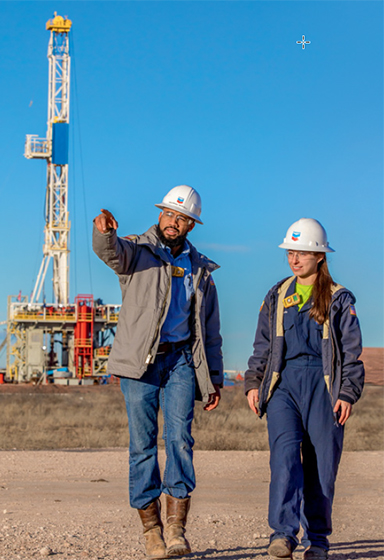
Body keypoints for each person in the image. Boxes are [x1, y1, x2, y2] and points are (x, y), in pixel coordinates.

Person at [93, 185, 223, 559]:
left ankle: (178, 528)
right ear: (160, 215)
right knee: (142, 444)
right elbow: (110, 253)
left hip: (180, 361)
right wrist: (104, 233)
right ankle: (152, 531)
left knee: (180, 439)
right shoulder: (138, 251)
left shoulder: (200, 269)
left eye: (182, 217)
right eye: (169, 214)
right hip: (140, 364)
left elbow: (209, 329)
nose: (174, 221)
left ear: (191, 225)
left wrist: (212, 377)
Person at [245, 218, 364, 560]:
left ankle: (319, 540)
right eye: (291, 252)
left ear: (320, 256)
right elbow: (263, 346)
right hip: (284, 384)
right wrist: (254, 382)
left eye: (303, 252)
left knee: (320, 464)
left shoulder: (340, 299)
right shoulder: (277, 295)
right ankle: (282, 534)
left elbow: (352, 353)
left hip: (324, 387)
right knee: (284, 457)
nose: (295, 259)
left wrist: (347, 393)